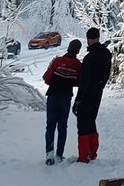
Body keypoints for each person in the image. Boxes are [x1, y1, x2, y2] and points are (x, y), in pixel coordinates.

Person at [73, 27, 112, 163]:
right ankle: (92, 152)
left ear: (88, 39)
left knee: (83, 124)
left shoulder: (90, 58)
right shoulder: (106, 54)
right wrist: (100, 87)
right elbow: (106, 74)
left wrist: (78, 99)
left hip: (87, 94)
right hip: (98, 92)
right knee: (91, 121)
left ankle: (84, 156)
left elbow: (84, 80)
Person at [42, 39, 82, 164]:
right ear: (78, 51)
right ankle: (59, 154)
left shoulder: (57, 60)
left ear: (68, 48)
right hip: (65, 97)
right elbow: (79, 82)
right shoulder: (78, 65)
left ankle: (49, 154)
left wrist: (55, 82)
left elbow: (46, 77)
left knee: (50, 125)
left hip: (53, 95)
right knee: (62, 126)